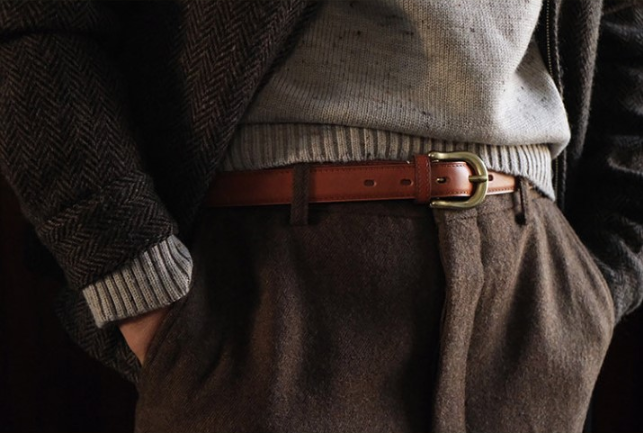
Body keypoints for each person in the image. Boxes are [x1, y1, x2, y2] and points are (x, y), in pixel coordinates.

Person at [0, 1, 641, 432]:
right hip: (260, 292)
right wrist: (138, 281)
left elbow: (627, 27)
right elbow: (37, 24)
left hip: (530, 288)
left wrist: (602, 283)